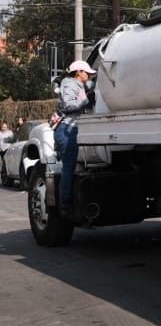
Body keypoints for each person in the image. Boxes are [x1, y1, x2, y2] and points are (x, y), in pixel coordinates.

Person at [54, 60, 97, 213]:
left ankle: (65, 202)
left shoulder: (79, 84)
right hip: (66, 129)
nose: (89, 75)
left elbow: (91, 86)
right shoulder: (70, 84)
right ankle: (65, 204)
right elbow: (68, 104)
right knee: (68, 167)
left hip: (68, 129)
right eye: (87, 72)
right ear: (78, 72)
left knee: (69, 166)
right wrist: (85, 101)